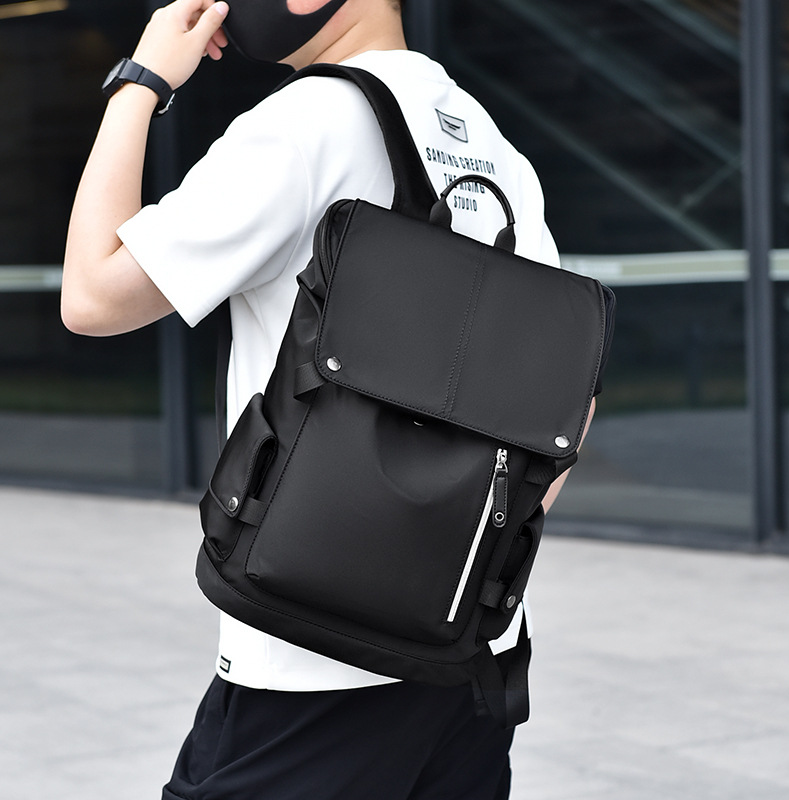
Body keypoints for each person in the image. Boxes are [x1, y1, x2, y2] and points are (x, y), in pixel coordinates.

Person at [62, 1, 594, 797]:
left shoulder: (305, 125)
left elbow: (93, 296)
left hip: (310, 660)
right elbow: (566, 405)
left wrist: (141, 82)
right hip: (466, 660)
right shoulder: (493, 146)